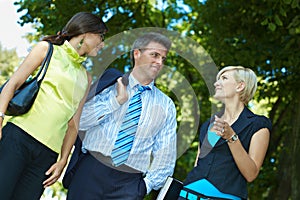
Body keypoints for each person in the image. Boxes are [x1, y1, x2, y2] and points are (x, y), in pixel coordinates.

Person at [0, 12, 108, 200]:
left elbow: (74, 124)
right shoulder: (46, 49)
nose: (103, 44)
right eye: (101, 37)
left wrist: (63, 160)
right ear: (86, 32)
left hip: (47, 156)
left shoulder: (86, 77)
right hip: (18, 138)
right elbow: (13, 84)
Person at [66, 32, 177, 200]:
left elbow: (165, 155)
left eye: (163, 58)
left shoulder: (166, 105)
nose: (159, 62)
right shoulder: (110, 85)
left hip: (130, 184)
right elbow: (79, 122)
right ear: (137, 53)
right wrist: (115, 101)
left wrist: (144, 187)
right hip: (91, 171)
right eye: (154, 55)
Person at [179, 66, 272, 200]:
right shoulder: (208, 124)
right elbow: (198, 164)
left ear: (240, 86)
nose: (216, 83)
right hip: (187, 195)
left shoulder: (258, 125)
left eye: (224, 78)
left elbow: (251, 174)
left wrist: (231, 137)